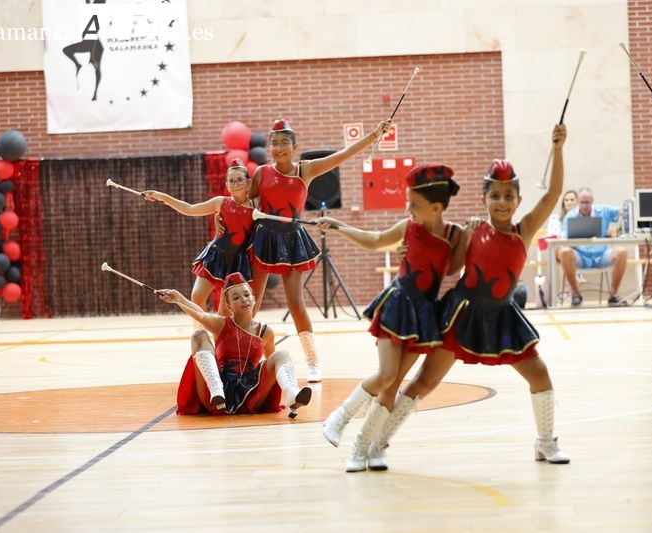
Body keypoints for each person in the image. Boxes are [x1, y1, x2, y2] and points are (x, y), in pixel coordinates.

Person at [359, 124, 570, 471]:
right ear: (484, 199)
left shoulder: (525, 230)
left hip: (502, 317)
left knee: (540, 375)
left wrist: (558, 149)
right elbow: (435, 251)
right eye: (495, 195)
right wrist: (403, 251)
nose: (502, 202)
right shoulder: (470, 231)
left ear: (518, 199)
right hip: (459, 317)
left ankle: (545, 442)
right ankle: (379, 443)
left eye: (508, 195)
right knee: (424, 382)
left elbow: (553, 194)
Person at [316, 164, 464, 472]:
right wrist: (339, 226)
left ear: (437, 207)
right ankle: (339, 417)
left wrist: (471, 234)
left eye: (415, 204)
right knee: (385, 375)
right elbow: (375, 239)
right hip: (397, 305)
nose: (408, 208)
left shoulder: (455, 234)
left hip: (423, 313)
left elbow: (451, 271)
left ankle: (367, 448)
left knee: (393, 384)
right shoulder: (408, 227)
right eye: (408, 201)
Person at [246, 118, 392, 383]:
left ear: (294, 146)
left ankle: (313, 363)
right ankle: (245, 359)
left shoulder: (306, 170)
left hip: (291, 241)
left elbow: (344, 155)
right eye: (274, 143)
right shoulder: (261, 173)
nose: (278, 148)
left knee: (296, 304)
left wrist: (373, 135)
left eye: (284, 143)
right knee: (250, 304)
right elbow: (246, 202)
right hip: (264, 240)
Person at [158, 272, 312, 417]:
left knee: (282, 354)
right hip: (217, 394)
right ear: (229, 305)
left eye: (246, 295)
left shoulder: (265, 331)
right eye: (236, 297)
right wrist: (179, 299)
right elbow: (201, 315)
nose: (243, 299)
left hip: (252, 393)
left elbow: (272, 368)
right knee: (199, 335)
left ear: (253, 298)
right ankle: (216, 389)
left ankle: (292, 395)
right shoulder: (221, 324)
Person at [141, 158, 254, 314]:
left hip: (238, 261)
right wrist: (163, 197)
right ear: (226, 185)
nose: (235, 184)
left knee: (226, 310)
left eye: (240, 180)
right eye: (231, 181)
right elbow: (190, 209)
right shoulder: (220, 202)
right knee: (197, 296)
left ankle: (219, 334)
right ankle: (201, 329)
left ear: (249, 182)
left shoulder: (256, 205)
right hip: (216, 255)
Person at [556, 187, 628, 307]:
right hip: (580, 256)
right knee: (564, 252)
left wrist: (626, 215)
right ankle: (576, 294)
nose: (584, 205)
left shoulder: (603, 210)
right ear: (578, 202)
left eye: (587, 202)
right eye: (582, 202)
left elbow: (622, 211)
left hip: (601, 255)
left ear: (592, 201)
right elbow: (563, 237)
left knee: (622, 252)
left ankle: (613, 295)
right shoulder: (570, 216)